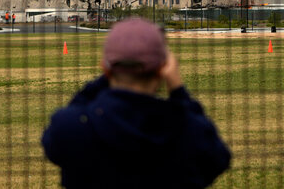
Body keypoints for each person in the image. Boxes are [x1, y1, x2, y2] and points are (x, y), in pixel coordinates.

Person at [41, 18, 230, 188]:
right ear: (162, 69)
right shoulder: (188, 134)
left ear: (106, 69)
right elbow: (218, 159)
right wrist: (178, 90)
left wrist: (110, 72)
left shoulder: (72, 128)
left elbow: (55, 139)